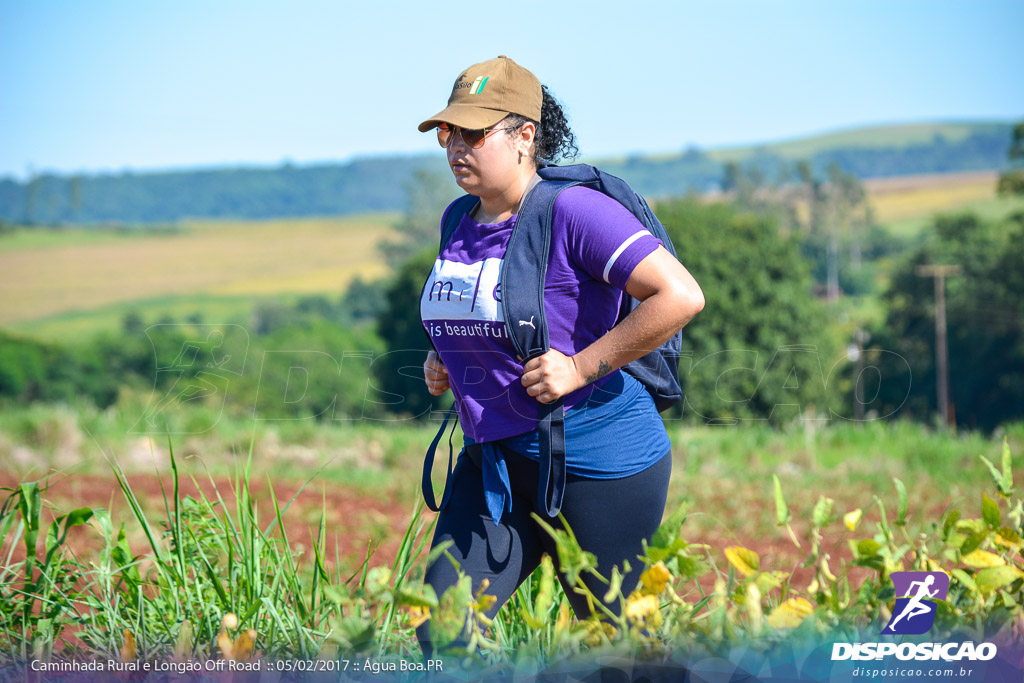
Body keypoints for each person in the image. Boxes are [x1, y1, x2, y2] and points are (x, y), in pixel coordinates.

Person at [415, 56, 705, 652]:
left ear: (525, 135)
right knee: (443, 633)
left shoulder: (574, 210)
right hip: (496, 461)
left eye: (473, 132)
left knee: (618, 645)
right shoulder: (457, 219)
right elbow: (483, 307)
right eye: (449, 132)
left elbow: (679, 295)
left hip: (599, 463)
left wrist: (579, 368)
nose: (455, 148)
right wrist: (446, 356)